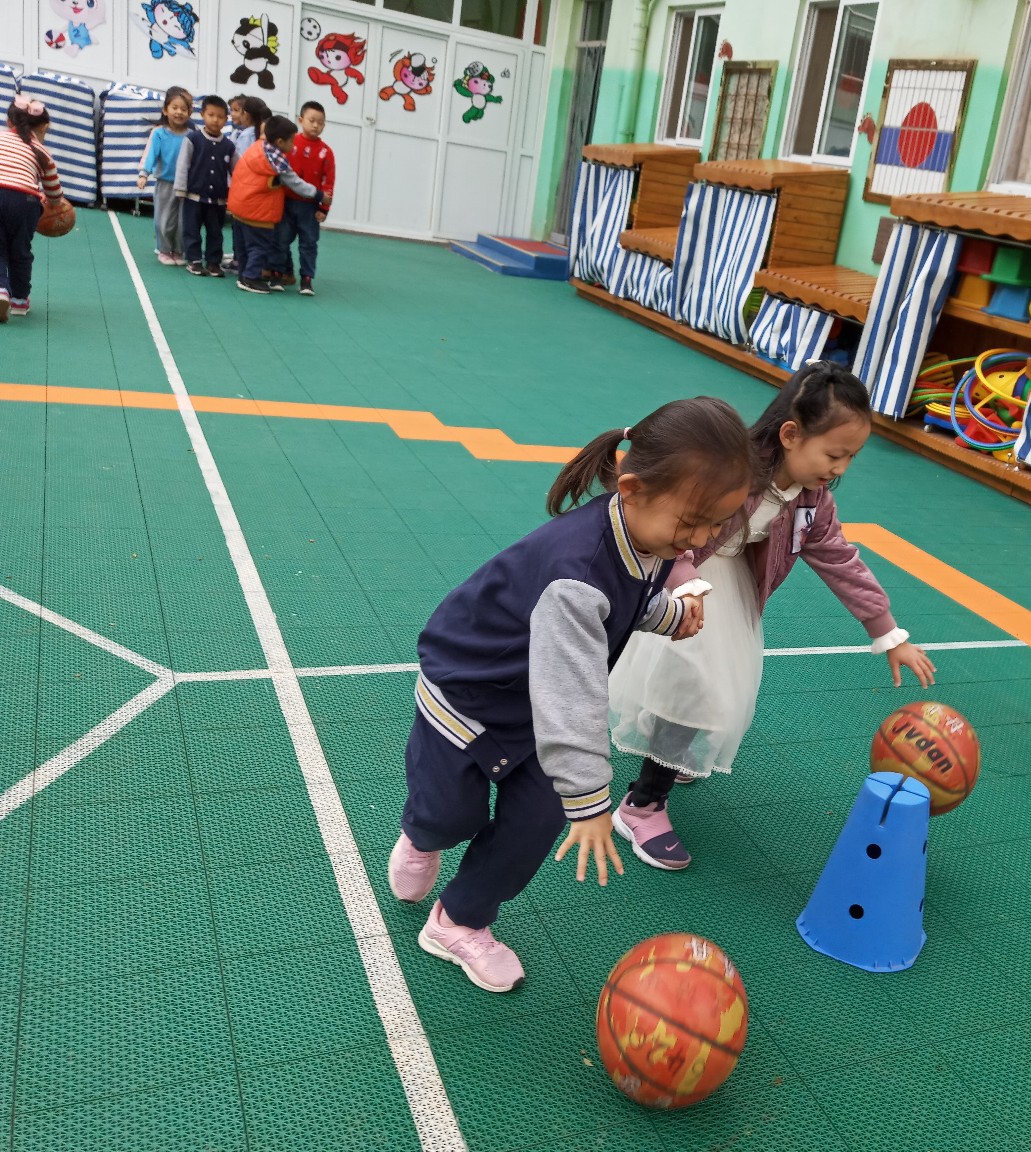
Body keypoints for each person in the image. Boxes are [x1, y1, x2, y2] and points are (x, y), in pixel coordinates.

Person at [387, 398, 755, 992]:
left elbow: (626, 601)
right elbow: (572, 693)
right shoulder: (576, 575)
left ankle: (459, 921)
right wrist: (590, 798)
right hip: (469, 697)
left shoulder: (646, 538)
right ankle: (422, 835)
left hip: (535, 710)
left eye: (717, 524)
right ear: (631, 489)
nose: (701, 539)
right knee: (447, 815)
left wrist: (667, 615)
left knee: (536, 820)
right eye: (692, 523)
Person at [607, 362, 937, 871]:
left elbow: (839, 559)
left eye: (851, 457)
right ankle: (641, 805)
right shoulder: (733, 468)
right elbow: (680, 527)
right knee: (690, 685)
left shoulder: (812, 500)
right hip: (687, 567)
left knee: (700, 688)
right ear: (790, 435)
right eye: (834, 454)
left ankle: (670, 754)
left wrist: (887, 631)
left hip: (729, 586)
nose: (841, 468)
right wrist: (686, 584)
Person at [226, 114, 330, 295]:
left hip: (240, 207)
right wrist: (319, 195)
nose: (294, 145)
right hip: (258, 212)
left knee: (243, 246)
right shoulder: (277, 161)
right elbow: (295, 183)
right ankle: (251, 278)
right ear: (280, 142)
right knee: (259, 246)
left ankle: (243, 274)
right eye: (292, 141)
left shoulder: (257, 148)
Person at [0, 95, 66, 323]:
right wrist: (54, 204)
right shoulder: (41, 151)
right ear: (44, 126)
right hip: (25, 201)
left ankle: (1, 289)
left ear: (9, 121)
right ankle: (19, 301)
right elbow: (54, 193)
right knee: (20, 251)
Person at [271, 101, 333, 296]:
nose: (315, 125)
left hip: (310, 208)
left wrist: (323, 208)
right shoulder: (290, 144)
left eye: (320, 122)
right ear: (300, 120)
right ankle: (277, 274)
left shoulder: (326, 152)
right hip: (286, 203)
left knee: (309, 244)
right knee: (280, 239)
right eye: (312, 120)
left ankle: (306, 280)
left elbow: (328, 181)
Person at [175, 94, 235, 277]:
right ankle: (193, 260)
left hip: (218, 200)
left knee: (215, 232)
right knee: (191, 230)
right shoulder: (193, 139)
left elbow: (237, 171)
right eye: (211, 115)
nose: (215, 120)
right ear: (202, 115)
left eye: (220, 116)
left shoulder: (229, 146)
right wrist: (180, 189)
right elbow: (183, 164)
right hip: (193, 196)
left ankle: (213, 262)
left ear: (226, 119)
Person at [135, 86, 192, 265]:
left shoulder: (192, 136)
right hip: (165, 184)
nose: (179, 112)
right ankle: (164, 249)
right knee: (164, 220)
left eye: (183, 109)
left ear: (189, 113)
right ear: (165, 110)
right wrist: (144, 174)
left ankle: (178, 250)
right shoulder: (159, 133)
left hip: (186, 186)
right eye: (175, 107)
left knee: (183, 221)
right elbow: (151, 154)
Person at [223, 95, 268, 273]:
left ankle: (239, 260)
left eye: (237, 110)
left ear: (246, 114)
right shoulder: (254, 134)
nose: (233, 114)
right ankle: (242, 259)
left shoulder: (246, 136)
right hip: (252, 190)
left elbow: (239, 165)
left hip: (241, 188)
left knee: (239, 226)